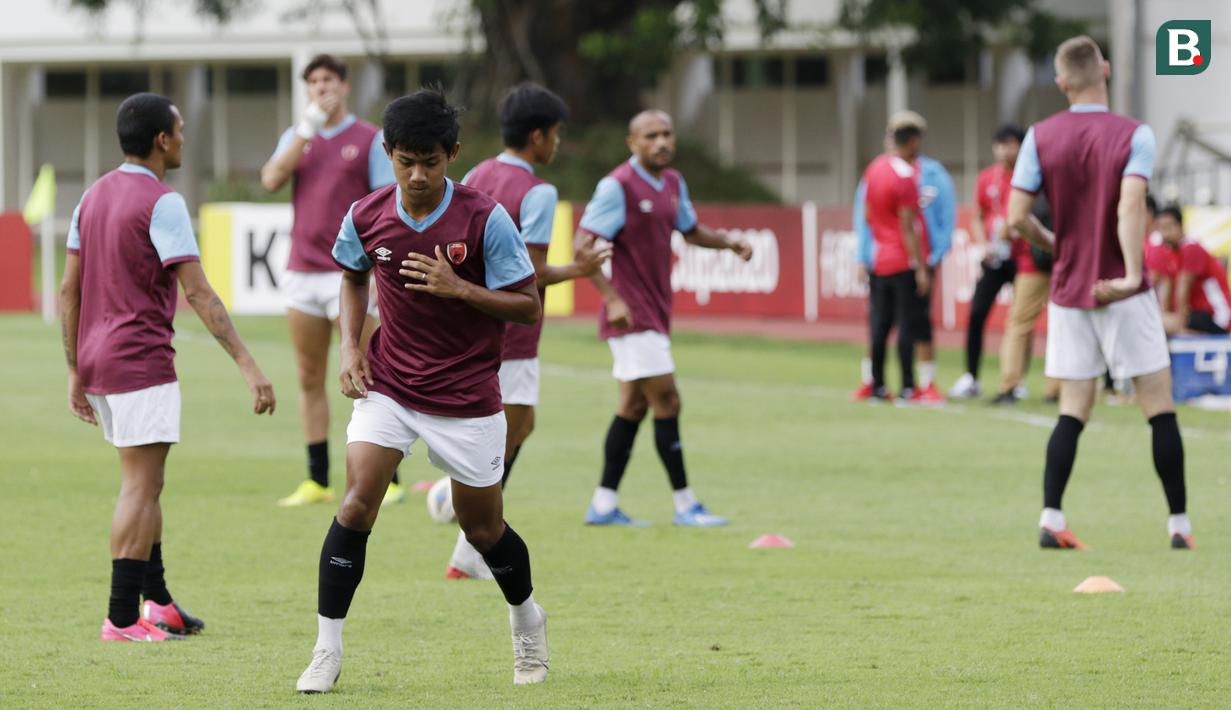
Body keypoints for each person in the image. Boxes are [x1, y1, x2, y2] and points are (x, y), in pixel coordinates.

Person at [295, 88, 549, 693]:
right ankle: (326, 649)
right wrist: (350, 347)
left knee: (483, 528)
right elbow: (353, 276)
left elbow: (528, 305)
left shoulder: (484, 219)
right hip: (391, 384)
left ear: (452, 155)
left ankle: (527, 619)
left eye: (430, 162)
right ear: (387, 153)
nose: (416, 175)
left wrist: (460, 288)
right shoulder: (366, 214)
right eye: (405, 161)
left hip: (466, 396)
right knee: (357, 502)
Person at [61, 93, 276, 642]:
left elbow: (68, 291)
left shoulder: (90, 196)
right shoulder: (163, 202)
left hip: (99, 362)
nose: (183, 138)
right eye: (179, 130)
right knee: (140, 487)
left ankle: (157, 601)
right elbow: (198, 294)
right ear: (161, 140)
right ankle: (121, 618)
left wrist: (74, 369)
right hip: (139, 363)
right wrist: (249, 365)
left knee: (148, 484)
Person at [1006, 35, 1192, 551]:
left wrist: (1056, 243)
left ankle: (1051, 517)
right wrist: (1131, 275)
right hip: (1122, 292)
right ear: (1105, 70)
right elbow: (1130, 206)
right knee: (1158, 405)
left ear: (1061, 83)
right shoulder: (1134, 134)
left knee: (1073, 408)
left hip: (1069, 290)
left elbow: (1016, 217)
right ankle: (1179, 527)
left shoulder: (1039, 136)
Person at [445, 83, 610, 578]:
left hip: (473, 324)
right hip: (512, 333)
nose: (558, 142)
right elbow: (531, 274)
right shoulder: (539, 192)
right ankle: (465, 543)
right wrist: (580, 269)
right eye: (556, 133)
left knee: (521, 426)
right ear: (538, 136)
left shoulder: (475, 173)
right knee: (508, 435)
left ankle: (456, 515)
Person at [577, 110, 753, 527]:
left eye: (667, 134)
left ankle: (603, 505)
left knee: (633, 405)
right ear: (632, 143)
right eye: (651, 135)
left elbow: (690, 231)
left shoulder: (673, 182)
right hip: (632, 315)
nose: (661, 142)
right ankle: (685, 504)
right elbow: (581, 247)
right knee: (668, 400)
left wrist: (729, 243)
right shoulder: (617, 185)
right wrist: (612, 299)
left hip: (655, 310)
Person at [260, 53, 403, 508]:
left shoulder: (368, 139)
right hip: (302, 272)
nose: (321, 88)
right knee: (309, 377)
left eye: (328, 80)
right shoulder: (297, 136)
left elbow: (386, 203)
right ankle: (318, 480)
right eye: (313, 82)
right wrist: (306, 129)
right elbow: (271, 179)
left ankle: (388, 477)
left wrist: (379, 271)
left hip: (351, 275)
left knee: (369, 372)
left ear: (344, 86)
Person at [851, 112, 932, 402]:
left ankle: (877, 386)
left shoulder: (874, 169)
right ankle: (908, 386)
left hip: (879, 260)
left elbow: (867, 214)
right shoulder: (906, 177)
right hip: (901, 261)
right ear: (912, 142)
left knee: (879, 325)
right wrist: (920, 267)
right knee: (906, 324)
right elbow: (908, 227)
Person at [950, 125, 1025, 400]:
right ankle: (971, 376)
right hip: (994, 258)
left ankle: (1017, 379)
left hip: (1023, 258)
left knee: (1021, 320)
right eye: (1000, 145)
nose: (1005, 151)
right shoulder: (987, 178)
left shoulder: (1029, 177)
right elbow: (978, 216)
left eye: (1011, 144)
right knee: (977, 313)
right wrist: (983, 245)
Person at [990, 190, 1061, 405]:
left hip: (1032, 268)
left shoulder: (1026, 191)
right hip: (1065, 265)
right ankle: (1056, 388)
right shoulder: (1065, 189)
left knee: (1018, 326)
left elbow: (1007, 229)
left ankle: (1009, 385)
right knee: (1063, 327)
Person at [1146, 205, 1231, 335]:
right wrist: (1167, 314)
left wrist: (1179, 324)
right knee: (1158, 321)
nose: (1165, 234)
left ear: (1180, 226)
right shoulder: (1170, 252)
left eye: (1168, 227)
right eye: (1161, 229)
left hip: (1218, 316)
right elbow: (1168, 287)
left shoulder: (1191, 248)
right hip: (1197, 314)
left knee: (1156, 323)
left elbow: (1183, 288)